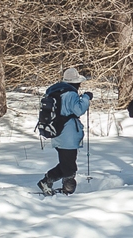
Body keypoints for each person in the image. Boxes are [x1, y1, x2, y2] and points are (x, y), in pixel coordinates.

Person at [37, 68, 92, 196]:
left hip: (57, 133)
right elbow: (79, 110)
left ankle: (58, 185)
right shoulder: (70, 94)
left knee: (67, 163)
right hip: (68, 135)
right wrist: (86, 98)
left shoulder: (55, 92)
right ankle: (54, 184)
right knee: (69, 167)